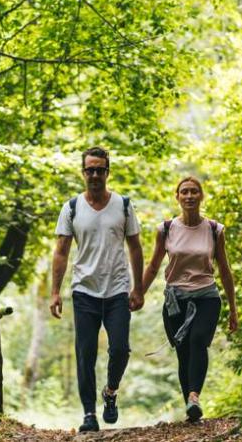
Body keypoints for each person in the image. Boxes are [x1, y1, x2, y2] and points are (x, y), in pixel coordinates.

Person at [50, 146, 145, 433]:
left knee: (120, 350)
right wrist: (55, 291)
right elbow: (61, 252)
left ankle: (111, 392)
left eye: (99, 170)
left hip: (117, 291)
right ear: (83, 172)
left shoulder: (124, 205)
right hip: (84, 291)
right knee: (86, 354)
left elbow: (136, 248)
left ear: (107, 172)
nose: (94, 174)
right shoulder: (72, 207)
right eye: (89, 169)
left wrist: (138, 288)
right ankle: (89, 414)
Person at [139, 176, 238, 422]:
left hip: (206, 297)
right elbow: (153, 266)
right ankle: (191, 409)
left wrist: (234, 309)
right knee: (183, 353)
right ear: (177, 197)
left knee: (197, 341)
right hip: (175, 301)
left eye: (194, 191)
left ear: (201, 196)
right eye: (184, 192)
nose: (189, 196)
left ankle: (194, 396)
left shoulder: (215, 230)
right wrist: (137, 293)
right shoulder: (166, 229)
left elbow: (225, 270)